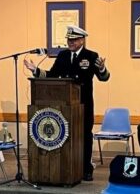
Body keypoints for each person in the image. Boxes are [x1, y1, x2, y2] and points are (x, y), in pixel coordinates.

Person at [24, 25, 110, 181]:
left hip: (84, 105)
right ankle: (68, 168)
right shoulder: (63, 56)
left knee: (84, 137)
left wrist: (103, 68)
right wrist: (35, 70)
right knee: (66, 137)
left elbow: (104, 78)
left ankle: (86, 169)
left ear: (82, 40)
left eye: (74, 39)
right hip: (64, 107)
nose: (70, 42)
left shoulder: (91, 56)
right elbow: (51, 75)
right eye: (68, 39)